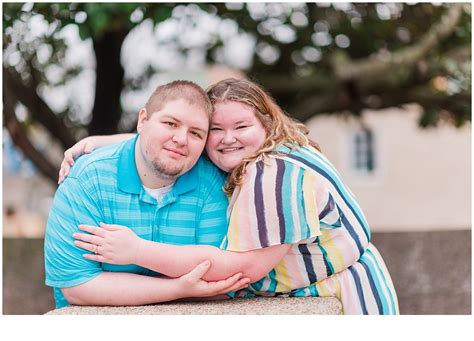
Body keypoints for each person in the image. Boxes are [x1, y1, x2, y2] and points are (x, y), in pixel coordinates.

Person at [60, 78, 399, 314]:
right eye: (215, 130)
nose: (227, 139)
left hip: (349, 303)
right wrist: (104, 143)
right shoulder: (266, 149)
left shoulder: (274, 173)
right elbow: (176, 140)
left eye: (241, 127)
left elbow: (242, 268)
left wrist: (138, 250)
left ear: (265, 125)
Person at [44, 80, 251, 309]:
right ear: (143, 120)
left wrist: (136, 255)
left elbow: (220, 281)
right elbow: (78, 287)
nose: (181, 140)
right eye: (171, 124)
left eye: (195, 133)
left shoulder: (212, 183)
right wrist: (178, 288)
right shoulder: (86, 180)